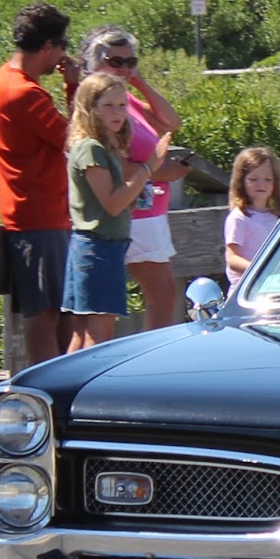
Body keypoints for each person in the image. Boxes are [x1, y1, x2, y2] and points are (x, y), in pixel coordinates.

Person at [0, 1, 80, 367]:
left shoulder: (4, 80)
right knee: (46, 314)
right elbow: (74, 139)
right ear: (48, 47)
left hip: (36, 213)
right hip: (38, 216)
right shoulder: (23, 92)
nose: (63, 53)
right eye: (62, 45)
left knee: (59, 311)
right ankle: (48, 394)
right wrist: (73, 89)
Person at [80, 26, 189, 331]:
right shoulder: (98, 107)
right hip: (130, 212)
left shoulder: (123, 99)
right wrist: (164, 171)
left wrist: (138, 81)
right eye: (116, 62)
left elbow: (170, 122)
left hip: (147, 210)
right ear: (96, 62)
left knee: (159, 296)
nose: (124, 69)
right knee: (156, 296)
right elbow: (110, 162)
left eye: (131, 62)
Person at [62, 72, 170, 351]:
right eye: (108, 105)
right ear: (90, 108)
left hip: (96, 248)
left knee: (84, 333)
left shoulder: (105, 148)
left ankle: (66, 393)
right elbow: (112, 204)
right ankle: (82, 394)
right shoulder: (91, 149)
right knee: (98, 337)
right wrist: (149, 168)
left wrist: (137, 190)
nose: (118, 112)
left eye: (122, 105)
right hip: (97, 249)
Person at [224, 147, 280, 291]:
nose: (261, 184)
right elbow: (232, 258)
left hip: (273, 288)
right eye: (253, 179)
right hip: (245, 290)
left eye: (267, 180)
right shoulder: (239, 218)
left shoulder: (276, 218)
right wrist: (260, 271)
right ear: (241, 182)